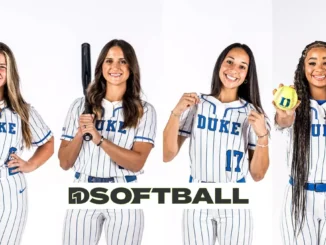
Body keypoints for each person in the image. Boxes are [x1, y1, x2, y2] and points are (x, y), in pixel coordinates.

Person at [163, 43, 270, 245]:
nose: (233, 70)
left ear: (247, 75)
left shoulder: (252, 113)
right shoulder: (197, 104)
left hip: (234, 195)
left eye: (242, 66)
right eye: (229, 62)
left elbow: (258, 175)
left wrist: (263, 135)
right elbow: (168, 155)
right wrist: (176, 112)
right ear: (219, 65)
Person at [59, 39, 157, 245]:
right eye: (109, 61)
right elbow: (64, 163)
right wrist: (80, 133)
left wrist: (99, 138)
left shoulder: (144, 110)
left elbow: (137, 162)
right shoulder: (80, 105)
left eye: (122, 61)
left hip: (124, 190)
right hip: (84, 188)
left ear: (131, 67)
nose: (115, 67)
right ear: (101, 66)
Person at [0, 42, 54, 244]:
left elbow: (48, 143)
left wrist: (30, 164)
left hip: (9, 188)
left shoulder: (22, 111)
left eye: (2, 67)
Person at [276, 41, 326, 245]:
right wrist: (285, 114)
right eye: (312, 62)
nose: (319, 68)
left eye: (325, 62)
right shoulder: (294, 102)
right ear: (303, 68)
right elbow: (283, 122)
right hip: (299, 196)